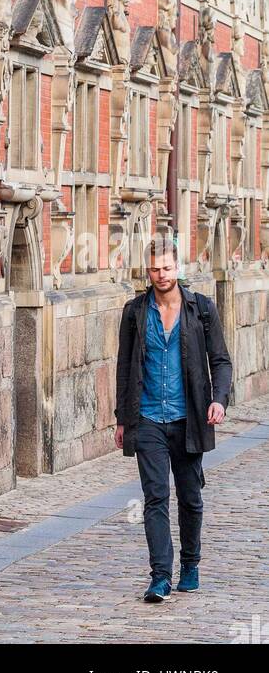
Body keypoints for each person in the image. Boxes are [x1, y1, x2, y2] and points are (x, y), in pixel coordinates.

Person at [114, 233, 232, 602]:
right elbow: (123, 367)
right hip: (147, 417)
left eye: (166, 267)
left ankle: (191, 564)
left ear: (177, 267)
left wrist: (220, 400)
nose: (160, 274)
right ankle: (160, 576)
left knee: (190, 497)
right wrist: (121, 418)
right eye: (154, 269)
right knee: (155, 497)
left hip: (188, 418)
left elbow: (221, 360)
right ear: (147, 271)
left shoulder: (201, 309)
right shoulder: (135, 312)